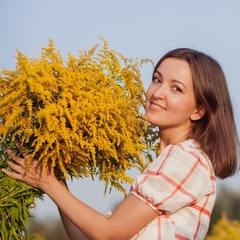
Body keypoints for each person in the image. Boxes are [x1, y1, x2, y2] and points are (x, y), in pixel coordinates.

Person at [2, 48, 239, 240]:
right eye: (157, 80)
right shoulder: (172, 161)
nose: (157, 92)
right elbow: (92, 235)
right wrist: (56, 181)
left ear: (199, 110)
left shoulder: (185, 158)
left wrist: (47, 182)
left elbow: (108, 233)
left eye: (176, 88)